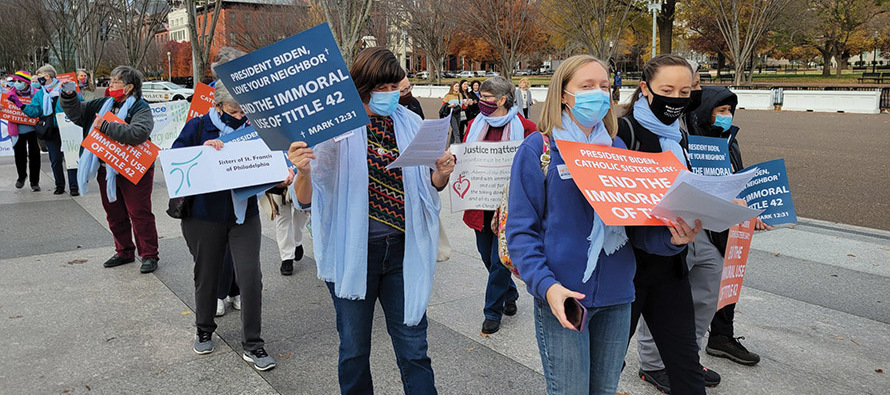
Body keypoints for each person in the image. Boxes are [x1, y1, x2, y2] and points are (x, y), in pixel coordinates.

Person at [506, 54, 701, 395]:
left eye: (604, 86)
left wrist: (674, 241)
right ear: (564, 94)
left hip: (618, 296)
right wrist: (547, 286)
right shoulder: (539, 149)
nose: (598, 93)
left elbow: (636, 228)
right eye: (587, 86)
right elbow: (521, 231)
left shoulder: (618, 148)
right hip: (564, 295)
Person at [287, 47, 454, 394]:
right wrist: (302, 170)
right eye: (384, 88)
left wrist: (441, 174)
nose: (392, 95)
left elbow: (429, 186)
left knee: (414, 349)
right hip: (354, 254)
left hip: (403, 252)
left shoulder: (410, 124)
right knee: (353, 349)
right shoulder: (334, 131)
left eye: (397, 88)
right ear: (363, 87)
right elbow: (305, 200)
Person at [171, 81, 280, 371]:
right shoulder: (197, 126)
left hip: (244, 216)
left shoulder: (255, 128)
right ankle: (204, 329)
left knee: (251, 277)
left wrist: (282, 176)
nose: (241, 114)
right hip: (204, 217)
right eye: (234, 109)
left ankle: (254, 345)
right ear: (218, 105)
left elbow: (270, 163)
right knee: (207, 275)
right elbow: (175, 161)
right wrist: (203, 151)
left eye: (245, 109)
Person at [616, 54, 709, 395]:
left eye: (685, 91)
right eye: (667, 89)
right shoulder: (623, 132)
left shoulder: (678, 135)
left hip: (671, 267)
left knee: (685, 364)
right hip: (627, 270)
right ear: (645, 88)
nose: (677, 99)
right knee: (607, 366)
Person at [690, 87, 767, 367]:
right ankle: (679, 353)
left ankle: (722, 337)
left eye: (729, 111)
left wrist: (749, 211)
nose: (726, 116)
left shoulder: (730, 140)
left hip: (729, 224)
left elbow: (739, 180)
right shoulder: (691, 141)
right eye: (720, 110)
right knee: (699, 289)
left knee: (729, 279)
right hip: (701, 226)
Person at [59, 66, 160, 273]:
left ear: (129, 87)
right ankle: (124, 251)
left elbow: (138, 133)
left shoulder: (140, 108)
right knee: (114, 213)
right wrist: (68, 96)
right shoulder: (102, 104)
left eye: (115, 82)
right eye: (111, 81)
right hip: (107, 169)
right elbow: (78, 114)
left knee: (139, 213)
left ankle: (149, 255)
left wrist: (105, 126)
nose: (111, 85)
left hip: (133, 169)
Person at [462, 76, 537, 335]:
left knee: (498, 260)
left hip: (509, 208)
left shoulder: (527, 129)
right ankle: (510, 292)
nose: (480, 101)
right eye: (480, 97)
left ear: (503, 100)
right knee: (487, 257)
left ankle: (491, 313)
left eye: (486, 98)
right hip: (479, 205)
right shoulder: (473, 125)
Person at [21, 64, 79, 195]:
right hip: (50, 130)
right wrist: (21, 106)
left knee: (71, 158)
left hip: (68, 128)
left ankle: (74, 186)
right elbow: (35, 111)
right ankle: (59, 185)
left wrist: (70, 94)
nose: (37, 80)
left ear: (47, 76)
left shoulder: (66, 86)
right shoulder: (40, 93)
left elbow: (79, 102)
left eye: (39, 77)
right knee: (55, 159)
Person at [258, 178, 309, 276]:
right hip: (278, 173)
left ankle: (297, 242)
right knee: (282, 214)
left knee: (301, 211)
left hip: (299, 170)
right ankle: (287, 257)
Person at [6, 70, 40, 190]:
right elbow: (5, 108)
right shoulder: (9, 94)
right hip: (17, 130)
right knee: (19, 155)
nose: (16, 83)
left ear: (26, 83)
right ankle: (21, 176)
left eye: (19, 81)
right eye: (15, 81)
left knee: (35, 156)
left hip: (33, 129)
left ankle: (34, 182)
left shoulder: (36, 93)